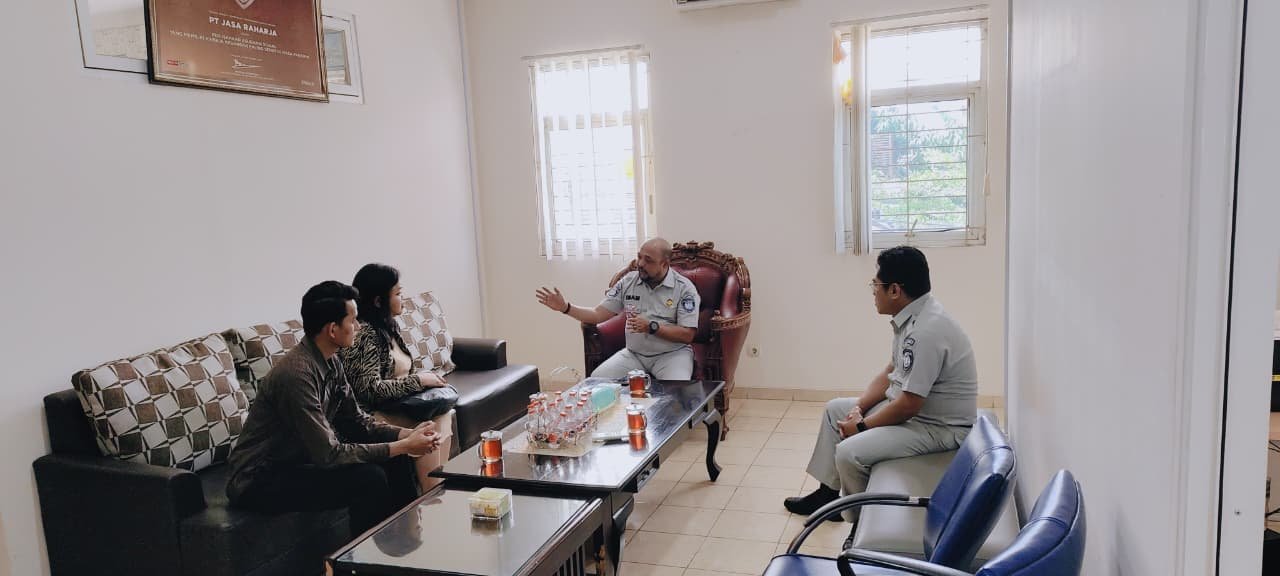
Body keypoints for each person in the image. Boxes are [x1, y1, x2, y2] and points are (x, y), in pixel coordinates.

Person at [783, 246, 977, 532]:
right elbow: (890, 372)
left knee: (849, 452)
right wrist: (858, 408)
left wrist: (861, 427)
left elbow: (909, 405)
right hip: (915, 413)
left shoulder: (926, 331)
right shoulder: (914, 316)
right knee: (835, 409)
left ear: (895, 290)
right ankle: (828, 495)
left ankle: (860, 525)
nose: (873, 291)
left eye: (876, 284)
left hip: (938, 428)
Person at [226, 281, 440, 536]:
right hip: (259, 479)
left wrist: (407, 435)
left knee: (396, 458)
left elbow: (357, 422)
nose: (359, 327)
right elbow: (328, 454)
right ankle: (359, 558)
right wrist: (403, 445)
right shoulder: (296, 376)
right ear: (332, 329)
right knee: (369, 479)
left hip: (297, 463)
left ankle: (407, 541)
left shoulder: (331, 361)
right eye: (353, 320)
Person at [342, 263, 456, 491]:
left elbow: (400, 372)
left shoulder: (387, 327)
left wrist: (422, 380)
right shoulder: (365, 334)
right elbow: (370, 390)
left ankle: (437, 489)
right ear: (378, 301)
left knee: (443, 413)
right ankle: (432, 492)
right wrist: (419, 381)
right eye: (397, 293)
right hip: (376, 415)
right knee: (430, 425)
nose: (402, 298)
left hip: (400, 406)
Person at [536, 237, 700, 380]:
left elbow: (687, 334)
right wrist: (566, 307)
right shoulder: (628, 281)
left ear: (664, 264)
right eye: (639, 257)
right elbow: (597, 314)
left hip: (672, 355)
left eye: (648, 260)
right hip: (634, 354)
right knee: (597, 381)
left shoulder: (684, 289)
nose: (640, 264)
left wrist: (651, 327)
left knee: (677, 390)